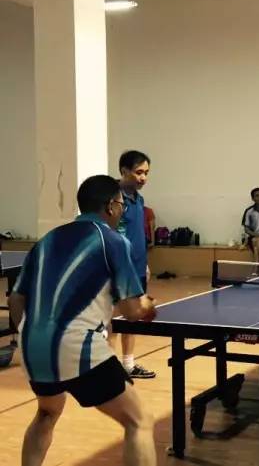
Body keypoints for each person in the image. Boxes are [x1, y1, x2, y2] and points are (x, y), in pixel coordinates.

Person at [7, 175, 157, 466]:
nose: (123, 211)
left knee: (47, 413)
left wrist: (31, 332)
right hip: (78, 345)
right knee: (139, 420)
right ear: (111, 206)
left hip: (32, 345)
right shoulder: (113, 241)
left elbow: (16, 299)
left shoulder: (46, 240)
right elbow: (132, 310)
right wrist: (147, 305)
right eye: (122, 205)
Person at [109, 151, 156, 379]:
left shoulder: (139, 199)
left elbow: (137, 235)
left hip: (137, 268)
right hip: (119, 269)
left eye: (146, 173)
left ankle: (128, 364)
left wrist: (144, 264)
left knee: (133, 316)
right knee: (112, 319)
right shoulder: (114, 199)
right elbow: (114, 236)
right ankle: (108, 368)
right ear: (124, 171)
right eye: (138, 172)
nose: (143, 177)